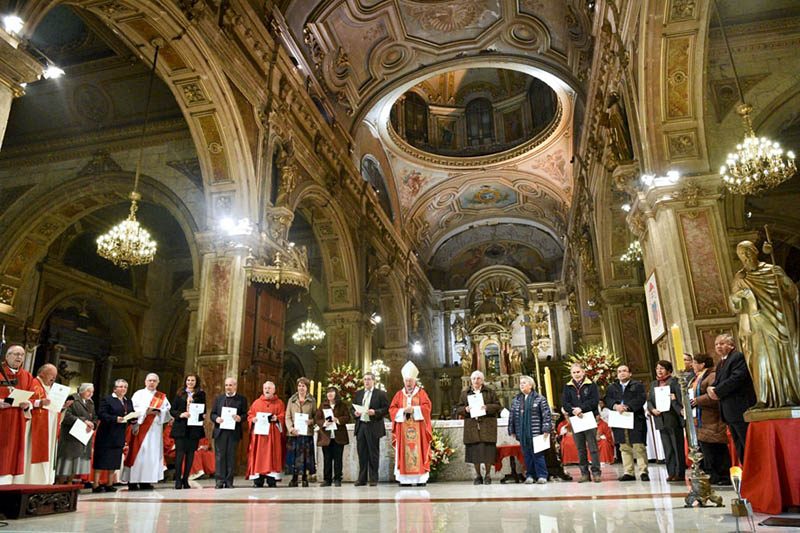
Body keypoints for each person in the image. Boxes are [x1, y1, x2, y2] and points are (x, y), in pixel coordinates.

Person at [730, 240, 800, 408]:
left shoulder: (773, 270)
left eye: (748, 251)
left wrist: (783, 277)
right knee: (760, 358)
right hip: (756, 324)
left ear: (755, 251)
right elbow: (734, 306)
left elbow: (792, 294)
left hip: (779, 318)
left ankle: (789, 395)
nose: (745, 256)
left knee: (783, 356)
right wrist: (739, 295)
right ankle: (763, 398)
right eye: (741, 254)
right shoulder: (740, 278)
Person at [707, 334, 755, 463]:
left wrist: (717, 391)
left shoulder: (737, 357)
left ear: (731, 345)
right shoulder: (722, 362)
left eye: (722, 343)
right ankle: (745, 470)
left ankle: (752, 471)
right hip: (729, 411)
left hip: (739, 408)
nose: (718, 346)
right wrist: (710, 388)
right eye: (716, 344)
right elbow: (718, 381)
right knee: (739, 445)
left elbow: (737, 378)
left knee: (747, 444)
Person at [689, 353, 731, 485]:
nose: (692, 365)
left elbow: (714, 394)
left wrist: (697, 400)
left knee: (716, 448)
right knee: (706, 448)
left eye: (695, 363)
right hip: (702, 418)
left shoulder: (711, 376)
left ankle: (723, 476)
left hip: (712, 418)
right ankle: (712, 474)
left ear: (702, 364)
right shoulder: (697, 377)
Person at [124, 373, 171, 490]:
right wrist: (146, 411)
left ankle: (147, 480)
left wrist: (160, 411)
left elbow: (167, 410)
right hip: (140, 428)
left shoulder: (161, 397)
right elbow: (133, 409)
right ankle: (133, 481)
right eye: (150, 380)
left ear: (158, 382)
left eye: (154, 381)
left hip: (155, 429)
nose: (152, 383)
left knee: (152, 454)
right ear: (145, 382)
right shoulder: (138, 394)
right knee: (138, 453)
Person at [389, 361, 433, 486]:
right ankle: (404, 479)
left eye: (410, 381)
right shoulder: (399, 394)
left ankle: (420, 479)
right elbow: (392, 410)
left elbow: (427, 407)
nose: (408, 383)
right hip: (403, 431)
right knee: (404, 452)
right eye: (406, 381)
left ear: (415, 381)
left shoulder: (421, 393)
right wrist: (403, 411)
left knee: (419, 450)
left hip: (418, 428)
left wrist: (414, 409)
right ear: (404, 381)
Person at [455, 370, 501, 485]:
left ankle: (488, 475)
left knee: (487, 452)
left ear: (482, 380)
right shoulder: (465, 393)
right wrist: (465, 409)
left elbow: (497, 406)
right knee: (475, 452)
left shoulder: (490, 392)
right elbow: (458, 408)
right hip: (472, 426)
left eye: (478, 378)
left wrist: (487, 407)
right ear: (471, 380)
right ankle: (478, 475)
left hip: (487, 425)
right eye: (474, 378)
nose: (476, 380)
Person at [605, 365, 649, 481]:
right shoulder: (612, 387)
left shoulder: (637, 385)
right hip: (619, 418)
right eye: (619, 371)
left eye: (624, 371)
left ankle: (643, 471)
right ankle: (628, 472)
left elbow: (641, 398)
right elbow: (607, 400)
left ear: (630, 373)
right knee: (624, 446)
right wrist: (615, 405)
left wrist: (628, 407)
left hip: (635, 418)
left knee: (638, 445)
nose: (622, 373)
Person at [561, 363, 602, 482]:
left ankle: (596, 472)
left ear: (583, 372)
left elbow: (594, 401)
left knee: (593, 447)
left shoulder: (591, 385)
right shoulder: (568, 387)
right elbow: (565, 402)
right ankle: (584, 473)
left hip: (588, 417)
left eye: (578, 372)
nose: (576, 374)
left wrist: (581, 409)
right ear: (571, 374)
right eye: (574, 372)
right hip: (575, 419)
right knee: (580, 448)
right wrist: (574, 410)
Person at [508, 375, 552, 484]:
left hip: (537, 432)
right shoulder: (517, 400)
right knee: (527, 455)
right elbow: (512, 416)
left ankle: (542, 475)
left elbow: (546, 415)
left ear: (531, 385)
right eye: (520, 383)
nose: (521, 385)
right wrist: (512, 430)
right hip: (523, 433)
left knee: (538, 455)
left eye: (524, 383)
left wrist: (546, 429)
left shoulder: (539, 399)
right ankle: (530, 475)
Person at [0, 344, 34, 484]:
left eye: (21, 355)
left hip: (17, 421)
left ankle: (8, 484)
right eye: (15, 354)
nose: (19, 357)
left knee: (13, 453)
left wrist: (28, 405)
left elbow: (31, 397)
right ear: (7, 356)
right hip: (2, 418)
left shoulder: (27, 376)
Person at [20, 364, 59, 485]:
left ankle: (45, 480)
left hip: (50, 427)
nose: (53, 378)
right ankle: (32, 480)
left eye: (55, 376)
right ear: (42, 373)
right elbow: (24, 401)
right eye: (50, 374)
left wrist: (62, 407)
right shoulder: (33, 383)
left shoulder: (51, 389)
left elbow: (52, 406)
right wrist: (39, 402)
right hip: (34, 426)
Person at [647, 360, 685, 482]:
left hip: (672, 417)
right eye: (657, 368)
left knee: (676, 446)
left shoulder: (674, 382)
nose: (659, 370)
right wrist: (652, 409)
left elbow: (680, 398)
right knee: (667, 448)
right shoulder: (654, 384)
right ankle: (671, 472)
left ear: (669, 370)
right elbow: (649, 400)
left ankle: (679, 473)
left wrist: (674, 399)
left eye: (662, 368)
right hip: (660, 418)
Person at [93, 378, 134, 492]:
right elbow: (101, 414)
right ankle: (96, 484)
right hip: (106, 432)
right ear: (115, 389)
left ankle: (109, 483)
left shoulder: (127, 401)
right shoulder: (108, 399)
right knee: (102, 458)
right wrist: (115, 418)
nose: (123, 389)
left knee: (114, 459)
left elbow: (130, 413)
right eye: (120, 387)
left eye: (125, 387)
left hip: (119, 433)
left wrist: (133, 419)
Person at [169, 373, 206, 489]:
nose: (190, 382)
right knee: (180, 454)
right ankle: (178, 480)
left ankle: (186, 479)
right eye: (188, 380)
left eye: (193, 380)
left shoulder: (200, 394)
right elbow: (172, 410)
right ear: (185, 381)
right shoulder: (180, 394)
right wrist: (181, 414)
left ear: (196, 382)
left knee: (190, 455)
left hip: (194, 428)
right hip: (181, 428)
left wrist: (202, 415)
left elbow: (203, 408)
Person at [352, 372, 389, 486]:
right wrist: (355, 413)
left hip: (373, 426)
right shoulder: (358, 394)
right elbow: (351, 408)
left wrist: (375, 412)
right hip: (361, 425)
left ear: (374, 381)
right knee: (362, 453)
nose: (366, 382)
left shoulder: (380, 394)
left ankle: (373, 478)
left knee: (373, 453)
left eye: (369, 379)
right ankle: (362, 479)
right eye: (365, 379)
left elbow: (386, 408)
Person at [55, 383, 96, 484]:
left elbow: (94, 417)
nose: (90, 393)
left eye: (92, 392)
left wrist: (93, 424)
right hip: (70, 436)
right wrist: (83, 420)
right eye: (88, 391)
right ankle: (59, 484)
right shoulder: (72, 398)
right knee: (66, 461)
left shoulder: (90, 402)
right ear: (82, 390)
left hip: (82, 436)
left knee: (76, 462)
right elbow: (66, 415)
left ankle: (70, 484)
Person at [245, 380, 284, 488]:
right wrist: (253, 419)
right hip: (259, 436)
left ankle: (271, 479)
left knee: (272, 456)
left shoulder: (279, 403)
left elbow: (283, 415)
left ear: (274, 390)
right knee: (258, 456)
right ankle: (258, 479)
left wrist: (277, 418)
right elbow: (250, 415)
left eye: (269, 388)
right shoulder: (257, 402)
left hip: (272, 435)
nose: (267, 390)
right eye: (265, 388)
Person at [212, 377, 247, 489]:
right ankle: (219, 480)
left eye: (230, 385)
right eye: (226, 385)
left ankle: (229, 481)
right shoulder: (219, 398)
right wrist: (216, 418)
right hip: (220, 431)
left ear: (235, 386)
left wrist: (239, 418)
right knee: (220, 456)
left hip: (233, 432)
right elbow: (212, 414)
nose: (228, 387)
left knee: (231, 456)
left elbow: (245, 414)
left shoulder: (241, 399)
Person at [315, 385, 350, 487]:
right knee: (327, 458)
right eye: (328, 392)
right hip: (326, 436)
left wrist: (337, 420)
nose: (330, 394)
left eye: (332, 392)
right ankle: (327, 479)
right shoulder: (323, 405)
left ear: (336, 394)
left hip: (338, 436)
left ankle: (338, 479)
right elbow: (318, 418)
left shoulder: (342, 405)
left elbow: (347, 417)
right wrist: (324, 423)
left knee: (338, 459)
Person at [285, 377, 316, 487]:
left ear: (307, 388)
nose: (301, 388)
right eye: (299, 386)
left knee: (305, 457)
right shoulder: (291, 400)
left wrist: (311, 421)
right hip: (294, 433)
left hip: (306, 433)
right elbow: (287, 416)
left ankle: (304, 478)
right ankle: (294, 478)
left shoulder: (312, 400)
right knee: (294, 456)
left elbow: (316, 416)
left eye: (303, 386)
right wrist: (291, 428)